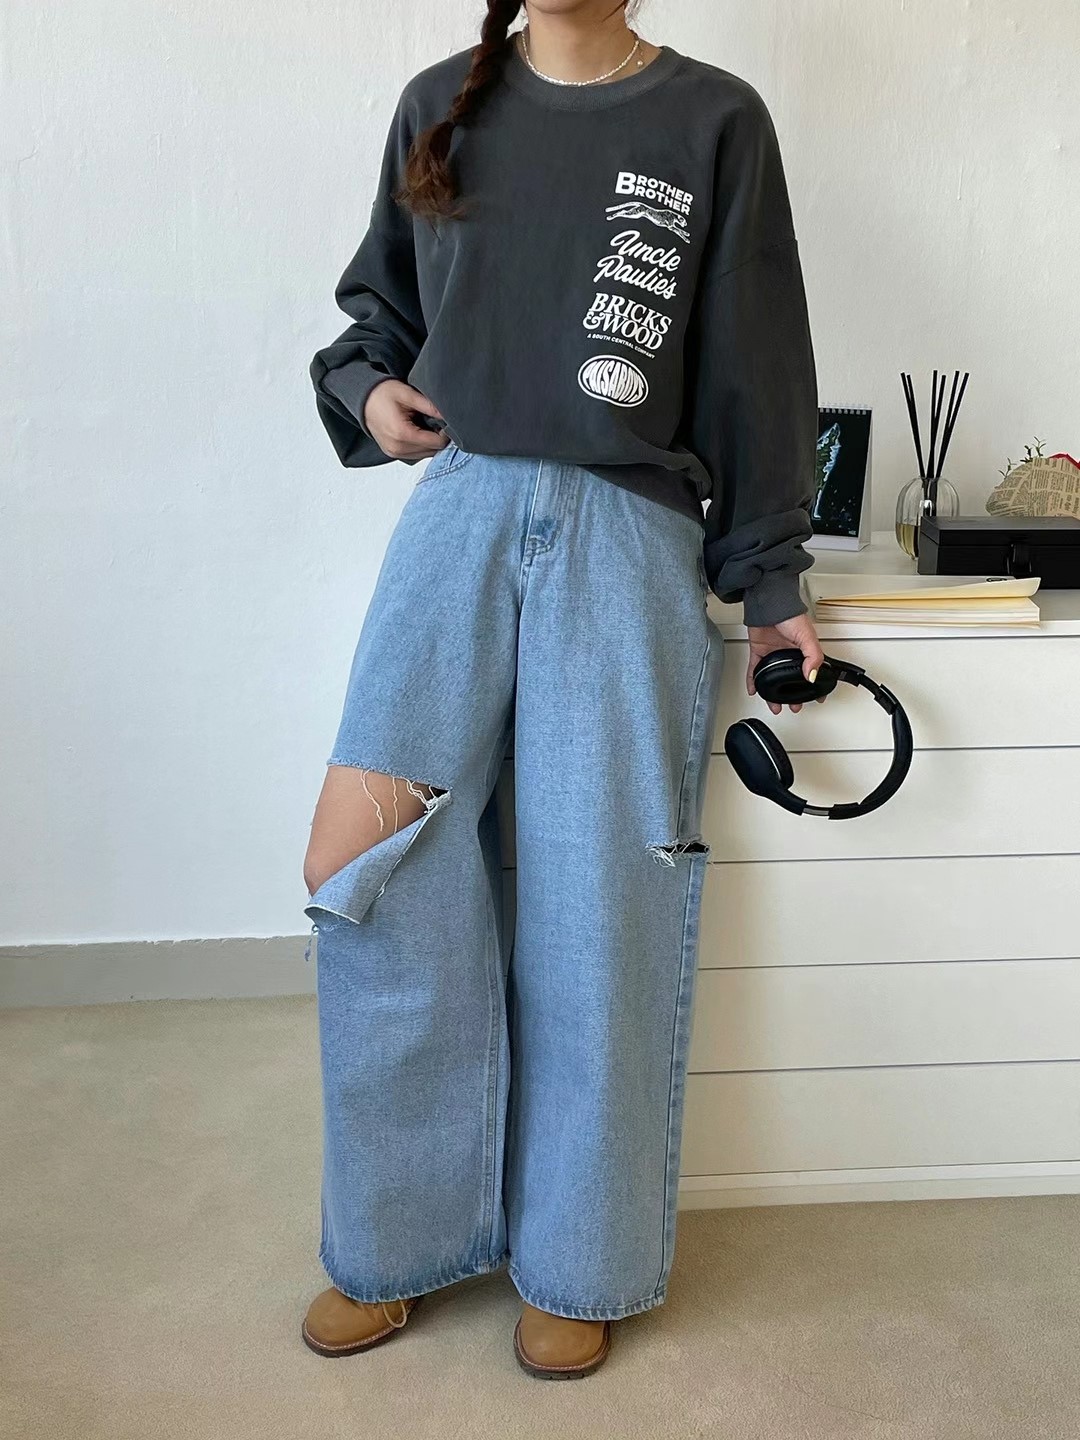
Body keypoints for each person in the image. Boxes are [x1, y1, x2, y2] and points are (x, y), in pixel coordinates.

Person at [300, 0, 824, 1380]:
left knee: (599, 899)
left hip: (628, 530)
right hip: (459, 514)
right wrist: (369, 391)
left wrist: (771, 580)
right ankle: (397, 1237)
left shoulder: (713, 119)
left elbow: (757, 363)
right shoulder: (441, 103)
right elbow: (377, 311)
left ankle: (579, 1256)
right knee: (370, 865)